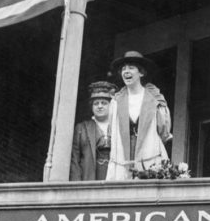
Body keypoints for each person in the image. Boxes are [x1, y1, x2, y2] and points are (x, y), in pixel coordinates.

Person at [106, 51, 172, 180]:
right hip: (122, 155)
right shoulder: (116, 101)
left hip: (148, 151)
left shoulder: (155, 99)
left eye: (131, 68)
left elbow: (164, 131)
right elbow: (111, 132)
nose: (126, 71)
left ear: (141, 72)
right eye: (123, 69)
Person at [70, 81, 117, 181]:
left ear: (111, 105)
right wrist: (77, 185)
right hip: (90, 177)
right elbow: (75, 159)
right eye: (96, 103)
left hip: (115, 176)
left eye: (104, 103)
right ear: (91, 107)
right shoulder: (81, 128)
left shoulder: (118, 126)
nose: (100, 106)